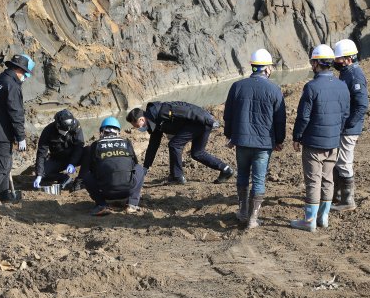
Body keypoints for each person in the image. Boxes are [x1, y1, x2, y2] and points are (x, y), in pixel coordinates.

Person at [223, 49, 287, 229]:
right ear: (267, 68)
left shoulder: (238, 86)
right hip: (263, 144)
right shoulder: (274, 89)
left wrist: (230, 136)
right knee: (259, 180)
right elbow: (280, 119)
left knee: (242, 175)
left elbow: (228, 115)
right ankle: (253, 218)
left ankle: (242, 212)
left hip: (242, 142)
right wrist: (279, 140)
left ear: (253, 66)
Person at [291, 44, 350, 232]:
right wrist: (336, 133)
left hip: (314, 144)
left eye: (312, 61)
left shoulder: (311, 87)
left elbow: (304, 117)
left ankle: (309, 221)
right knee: (328, 180)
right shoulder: (342, 86)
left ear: (316, 63)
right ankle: (323, 218)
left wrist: (297, 136)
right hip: (333, 142)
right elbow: (345, 114)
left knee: (313, 181)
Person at [126, 101, 234, 184]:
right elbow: (153, 145)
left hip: (200, 122)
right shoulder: (153, 123)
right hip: (200, 124)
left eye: (135, 125)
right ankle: (226, 169)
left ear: (141, 119)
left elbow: (186, 110)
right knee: (197, 153)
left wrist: (208, 120)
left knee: (174, 144)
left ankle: (177, 177)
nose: (135, 128)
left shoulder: (162, 111)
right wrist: (146, 166)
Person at [0, 54, 35, 203]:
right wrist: (21, 137)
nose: (26, 77)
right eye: (26, 74)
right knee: (1, 167)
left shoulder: (0, 79)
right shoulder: (12, 85)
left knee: (6, 164)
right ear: (19, 69)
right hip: (2, 132)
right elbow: (16, 113)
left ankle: (2, 193)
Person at [331, 39, 369, 212]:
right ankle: (337, 195)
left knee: (345, 162)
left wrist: (348, 124)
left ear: (348, 59)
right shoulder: (346, 72)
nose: (335, 62)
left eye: (338, 59)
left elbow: (362, 105)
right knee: (339, 161)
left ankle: (348, 201)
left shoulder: (354, 75)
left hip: (348, 128)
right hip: (344, 126)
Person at [81, 117, 146, 216]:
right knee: (140, 168)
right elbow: (134, 164)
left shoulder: (96, 145)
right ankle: (132, 204)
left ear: (102, 131)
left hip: (106, 191)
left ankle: (101, 205)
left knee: (86, 176)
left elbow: (91, 168)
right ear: (118, 131)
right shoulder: (126, 143)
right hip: (128, 189)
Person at [33, 109, 85, 190]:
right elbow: (41, 153)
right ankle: (64, 178)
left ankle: (81, 180)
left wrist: (72, 163)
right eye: (63, 130)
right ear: (57, 125)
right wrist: (39, 175)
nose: (65, 133)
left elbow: (79, 146)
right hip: (58, 159)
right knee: (42, 172)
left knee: (89, 151)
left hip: (74, 157)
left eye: (67, 130)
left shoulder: (75, 125)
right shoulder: (48, 131)